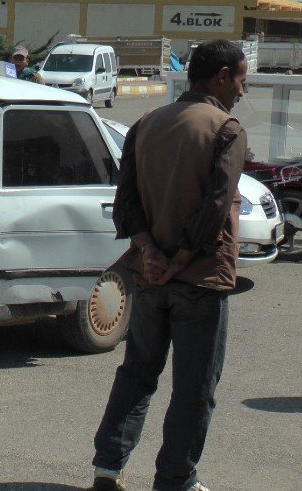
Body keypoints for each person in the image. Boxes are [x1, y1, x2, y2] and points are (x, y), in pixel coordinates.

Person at [91, 39, 249, 491]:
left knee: (138, 373)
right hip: (199, 280)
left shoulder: (146, 124)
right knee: (194, 388)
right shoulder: (226, 129)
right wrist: (178, 259)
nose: (242, 90)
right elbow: (215, 208)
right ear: (220, 76)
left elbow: (126, 203)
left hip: (149, 278)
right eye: (240, 79)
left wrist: (150, 254)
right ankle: (176, 478)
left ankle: (107, 468)